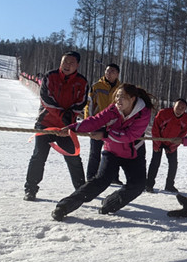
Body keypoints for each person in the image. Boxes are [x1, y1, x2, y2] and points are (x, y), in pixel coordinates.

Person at [51, 84, 153, 221]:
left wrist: (105, 133)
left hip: (133, 154)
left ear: (133, 98)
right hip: (112, 150)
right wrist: (72, 129)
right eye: (117, 96)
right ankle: (64, 207)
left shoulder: (143, 113)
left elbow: (130, 135)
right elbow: (95, 121)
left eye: (122, 97)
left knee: (138, 185)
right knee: (100, 181)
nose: (118, 100)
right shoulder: (113, 109)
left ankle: (110, 204)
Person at [24, 51, 88, 201]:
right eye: (65, 61)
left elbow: (81, 103)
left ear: (77, 65)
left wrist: (69, 118)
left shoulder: (82, 82)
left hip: (66, 128)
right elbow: (46, 100)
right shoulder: (50, 76)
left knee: (73, 157)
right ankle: (30, 188)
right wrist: (62, 115)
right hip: (46, 123)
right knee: (39, 156)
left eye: (71, 63)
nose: (67, 65)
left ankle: (82, 191)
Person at [84, 63, 121, 182]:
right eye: (107, 71)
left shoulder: (121, 88)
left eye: (112, 71)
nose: (109, 73)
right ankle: (91, 177)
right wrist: (88, 122)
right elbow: (89, 105)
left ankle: (113, 177)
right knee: (95, 152)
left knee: (114, 153)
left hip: (114, 125)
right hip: (98, 124)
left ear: (117, 74)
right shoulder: (97, 86)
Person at [145, 98, 187, 193]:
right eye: (178, 107)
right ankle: (149, 184)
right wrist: (158, 144)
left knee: (173, 164)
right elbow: (155, 128)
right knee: (155, 162)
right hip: (158, 140)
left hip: (172, 143)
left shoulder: (186, 119)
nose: (180, 110)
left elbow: (182, 134)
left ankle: (169, 185)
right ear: (174, 105)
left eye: (183, 108)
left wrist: (172, 146)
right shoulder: (163, 113)